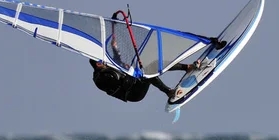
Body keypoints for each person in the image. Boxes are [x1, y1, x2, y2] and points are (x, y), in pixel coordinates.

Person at [90, 37, 227, 102]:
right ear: (98, 64)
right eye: (103, 60)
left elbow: (117, 60)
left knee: (153, 64)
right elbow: (123, 83)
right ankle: (168, 92)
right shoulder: (102, 78)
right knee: (147, 73)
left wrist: (115, 47)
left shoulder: (106, 68)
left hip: (133, 85)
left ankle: (188, 67)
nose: (106, 60)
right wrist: (134, 73)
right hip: (133, 94)